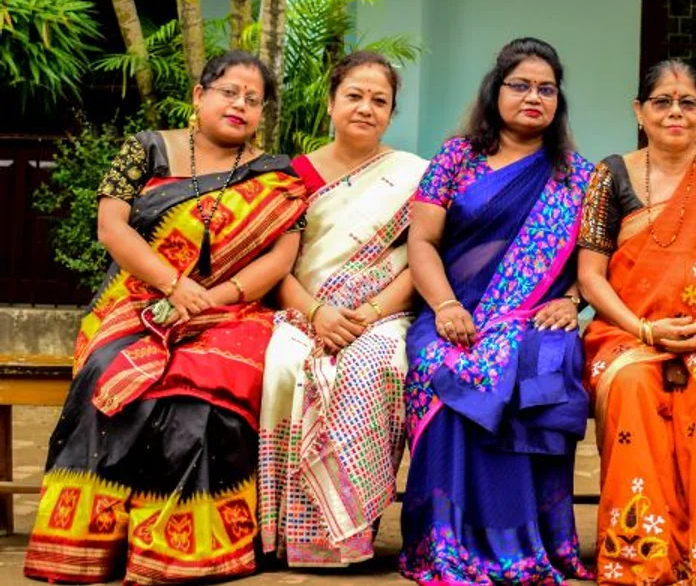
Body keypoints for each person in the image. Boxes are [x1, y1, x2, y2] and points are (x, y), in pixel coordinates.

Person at [24, 50, 307, 584]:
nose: (240, 105)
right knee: (111, 374)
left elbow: (279, 259)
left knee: (200, 394)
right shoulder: (147, 148)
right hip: (138, 302)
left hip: (233, 312)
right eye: (229, 92)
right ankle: (94, 545)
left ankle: (187, 551)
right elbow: (112, 227)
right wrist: (174, 286)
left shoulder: (277, 176)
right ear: (199, 96)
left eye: (253, 100)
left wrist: (213, 297)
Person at [398, 37, 592, 584]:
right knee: (443, 365)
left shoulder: (578, 175)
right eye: (521, 85)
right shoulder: (455, 158)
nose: (534, 97)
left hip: (532, 317)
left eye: (546, 89)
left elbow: (596, 260)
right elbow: (422, 242)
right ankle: (444, 538)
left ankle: (524, 538)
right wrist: (445, 306)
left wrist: (572, 300)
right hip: (453, 311)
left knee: (537, 364)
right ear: (496, 90)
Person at [578, 59, 696, 585]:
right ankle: (642, 552)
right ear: (639, 111)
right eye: (662, 101)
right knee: (632, 385)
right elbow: (591, 276)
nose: (675, 112)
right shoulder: (610, 175)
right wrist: (643, 330)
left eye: (688, 102)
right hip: (627, 329)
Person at [257, 51, 427, 567]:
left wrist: (368, 314)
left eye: (380, 100)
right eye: (354, 96)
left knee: (375, 366)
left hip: (383, 315)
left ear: (391, 113)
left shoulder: (415, 177)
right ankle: (285, 533)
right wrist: (317, 314)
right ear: (331, 103)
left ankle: (349, 530)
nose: (365, 108)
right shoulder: (292, 176)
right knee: (282, 366)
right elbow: (275, 267)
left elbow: (421, 262)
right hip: (304, 312)